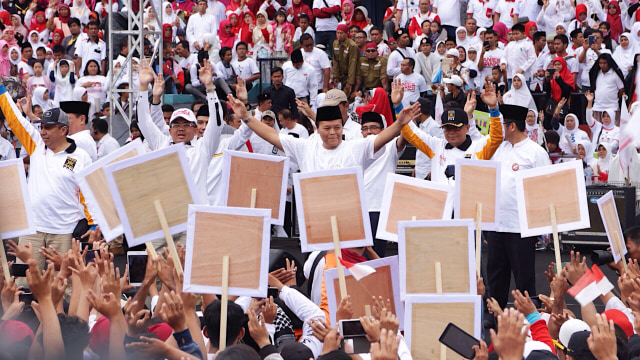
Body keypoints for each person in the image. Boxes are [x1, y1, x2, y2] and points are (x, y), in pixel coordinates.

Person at [1, 82, 92, 270]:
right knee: (25, 285)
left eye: (48, 128)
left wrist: (91, 225)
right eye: (42, 126)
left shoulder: (81, 157)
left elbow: (89, 195)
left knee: (64, 286)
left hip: (64, 233)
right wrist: (1, 89)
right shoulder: (36, 146)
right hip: (32, 231)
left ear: (63, 130)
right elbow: (14, 118)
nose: (42, 131)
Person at [486, 103, 551, 310]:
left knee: (523, 276)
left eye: (503, 125)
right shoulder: (498, 149)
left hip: (520, 226)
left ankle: (530, 316)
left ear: (512, 126)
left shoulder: (535, 152)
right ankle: (494, 313)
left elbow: (544, 186)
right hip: (497, 224)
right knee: (495, 274)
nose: (499, 129)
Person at [137, 59, 223, 203]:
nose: (181, 128)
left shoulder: (202, 148)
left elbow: (217, 121)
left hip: (196, 217)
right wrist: (143, 87)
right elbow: (143, 120)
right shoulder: (162, 144)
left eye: (186, 124)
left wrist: (209, 86)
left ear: (195, 130)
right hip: (170, 218)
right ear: (169, 130)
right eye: (176, 125)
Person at [402, 83, 504, 186]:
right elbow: (412, 134)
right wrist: (398, 108)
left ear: (467, 128)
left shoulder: (478, 148)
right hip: (441, 201)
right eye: (447, 128)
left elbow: (496, 137)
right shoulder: (436, 146)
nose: (451, 132)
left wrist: (493, 108)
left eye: (456, 128)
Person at [332, 24, 359, 97]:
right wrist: (336, 76)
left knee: (346, 97)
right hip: (340, 75)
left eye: (341, 33)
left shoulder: (352, 46)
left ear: (347, 33)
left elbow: (352, 64)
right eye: (337, 33)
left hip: (350, 76)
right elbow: (335, 60)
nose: (339, 35)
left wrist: (350, 82)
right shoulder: (335, 43)